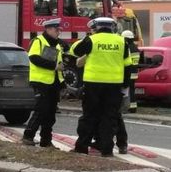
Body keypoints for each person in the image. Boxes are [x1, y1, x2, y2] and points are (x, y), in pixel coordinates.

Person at [72, 17, 132, 157]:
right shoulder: (121, 41)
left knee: (89, 116)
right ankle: (106, 150)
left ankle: (82, 147)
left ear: (96, 27)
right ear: (112, 27)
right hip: (114, 85)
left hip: (93, 84)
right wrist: (125, 86)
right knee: (109, 118)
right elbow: (128, 65)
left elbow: (75, 51)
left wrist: (89, 37)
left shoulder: (92, 40)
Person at [21, 18, 64, 148]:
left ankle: (46, 140)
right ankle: (28, 136)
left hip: (53, 83)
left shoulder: (56, 44)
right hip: (41, 82)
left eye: (59, 30)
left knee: (50, 114)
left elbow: (59, 66)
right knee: (41, 110)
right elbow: (33, 58)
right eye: (57, 30)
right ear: (48, 29)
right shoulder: (38, 41)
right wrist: (54, 66)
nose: (59, 32)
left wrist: (62, 82)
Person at [121, 30, 141, 113]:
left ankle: (126, 106)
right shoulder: (135, 47)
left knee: (126, 91)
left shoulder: (128, 48)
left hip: (128, 72)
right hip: (134, 72)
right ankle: (133, 107)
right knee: (132, 90)